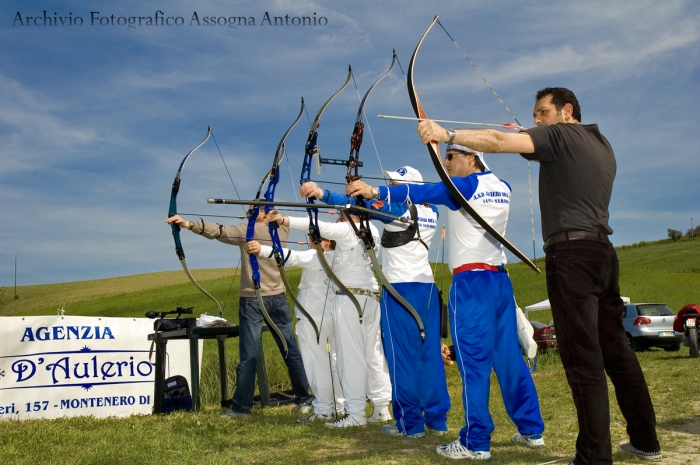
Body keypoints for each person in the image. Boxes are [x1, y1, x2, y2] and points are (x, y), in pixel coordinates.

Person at [411, 87, 662, 464]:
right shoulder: (601, 144)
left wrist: (446, 134)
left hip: (571, 255)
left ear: (567, 111)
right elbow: (529, 148)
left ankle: (594, 458)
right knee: (617, 351)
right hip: (602, 254)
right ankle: (646, 441)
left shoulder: (558, 134)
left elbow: (497, 141)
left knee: (583, 360)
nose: (537, 120)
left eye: (542, 112)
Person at [346, 145, 545, 461]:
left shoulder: (465, 186)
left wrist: (373, 190)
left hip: (472, 285)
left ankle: (476, 441)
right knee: (508, 358)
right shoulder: (502, 187)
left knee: (472, 364)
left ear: (471, 157)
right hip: (499, 280)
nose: (446, 163)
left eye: (450, 157)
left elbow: (428, 190)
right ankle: (531, 430)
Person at [300, 167, 450, 438]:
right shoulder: (432, 213)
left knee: (400, 356)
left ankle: (410, 424)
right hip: (427, 289)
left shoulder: (400, 212)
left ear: (406, 188)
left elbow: (362, 205)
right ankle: (437, 420)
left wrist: (322, 194)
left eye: (393, 183)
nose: (389, 186)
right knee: (428, 356)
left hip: (400, 290)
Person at [165, 211, 312, 418]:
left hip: (253, 299)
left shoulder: (247, 231)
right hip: (279, 298)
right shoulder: (283, 228)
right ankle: (304, 399)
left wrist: (188, 224)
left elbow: (220, 231)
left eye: (253, 211)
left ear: (262, 213)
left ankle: (241, 408)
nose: (249, 214)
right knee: (290, 350)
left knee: (249, 356)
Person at [265, 209, 392, 428]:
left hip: (349, 298)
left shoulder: (349, 229)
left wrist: (283, 220)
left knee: (349, 357)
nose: (338, 219)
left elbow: (318, 227)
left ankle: (355, 413)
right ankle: (381, 409)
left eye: (342, 216)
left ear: (351, 216)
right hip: (370, 296)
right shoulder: (372, 229)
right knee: (373, 354)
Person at [246, 237, 345, 422]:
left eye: (313, 239)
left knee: (317, 366)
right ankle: (339, 405)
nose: (310, 243)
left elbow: (289, 256)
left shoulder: (316, 256)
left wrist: (261, 249)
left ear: (324, 242)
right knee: (334, 362)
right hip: (333, 318)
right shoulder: (341, 257)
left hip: (313, 322)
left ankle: (324, 409)